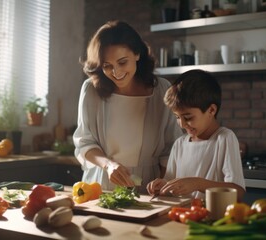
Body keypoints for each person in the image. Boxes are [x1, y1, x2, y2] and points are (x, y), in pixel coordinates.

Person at [73, 20, 182, 192]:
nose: (116, 73)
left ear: (137, 54)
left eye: (122, 62)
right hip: (101, 184)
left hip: (149, 185)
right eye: (107, 66)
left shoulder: (161, 90)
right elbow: (85, 143)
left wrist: (162, 183)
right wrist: (109, 165)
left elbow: (172, 147)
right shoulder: (91, 90)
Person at [146, 69, 246, 201]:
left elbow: (238, 192)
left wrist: (198, 184)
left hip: (210, 217)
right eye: (177, 117)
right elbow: (171, 183)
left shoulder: (224, 138)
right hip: (182, 216)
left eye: (188, 117)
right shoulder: (179, 144)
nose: (181, 124)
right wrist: (163, 186)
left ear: (211, 110)